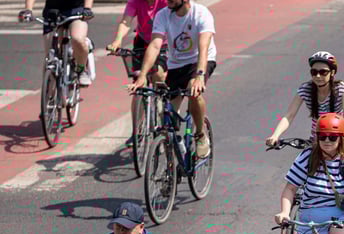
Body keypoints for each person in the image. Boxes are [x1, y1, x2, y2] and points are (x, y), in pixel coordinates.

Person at [128, 0, 217, 159]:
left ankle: (200, 134)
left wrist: (200, 75)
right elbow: (155, 45)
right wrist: (142, 76)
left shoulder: (201, 14)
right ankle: (178, 152)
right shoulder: (162, 15)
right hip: (176, 64)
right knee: (167, 117)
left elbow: (204, 47)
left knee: (193, 91)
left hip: (199, 61)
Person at [106, 0, 168, 147]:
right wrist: (117, 41)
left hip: (163, 43)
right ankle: (136, 132)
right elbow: (126, 22)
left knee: (158, 75)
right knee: (138, 87)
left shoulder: (165, 2)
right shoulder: (135, 2)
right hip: (142, 42)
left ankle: (162, 114)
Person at [265, 51, 344, 145]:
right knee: (300, 160)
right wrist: (275, 136)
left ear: (332, 72)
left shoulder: (342, 88)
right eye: (314, 72)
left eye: (323, 72)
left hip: (339, 140)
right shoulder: (305, 89)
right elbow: (289, 116)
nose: (318, 76)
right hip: (317, 141)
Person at [19, 0, 95, 86]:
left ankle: (81, 70)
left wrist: (87, 8)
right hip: (53, 12)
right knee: (50, 54)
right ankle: (48, 92)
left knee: (78, 39)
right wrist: (28, 9)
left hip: (76, 10)